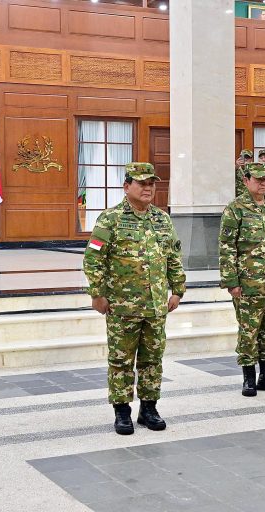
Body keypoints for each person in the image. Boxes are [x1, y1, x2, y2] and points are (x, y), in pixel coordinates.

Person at [82, 162, 186, 435]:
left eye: (152, 183)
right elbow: (93, 259)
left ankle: (149, 409)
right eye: (142, 183)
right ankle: (122, 411)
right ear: (126, 186)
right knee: (121, 360)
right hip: (121, 306)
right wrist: (97, 294)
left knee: (153, 359)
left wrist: (177, 290)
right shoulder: (110, 219)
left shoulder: (162, 219)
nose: (148, 188)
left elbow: (173, 257)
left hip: (155, 306)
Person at [219, 162, 265, 397]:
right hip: (249, 283)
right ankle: (249, 377)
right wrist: (231, 281)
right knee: (249, 330)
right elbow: (227, 247)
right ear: (246, 181)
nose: (263, 183)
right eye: (259, 179)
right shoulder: (235, 209)